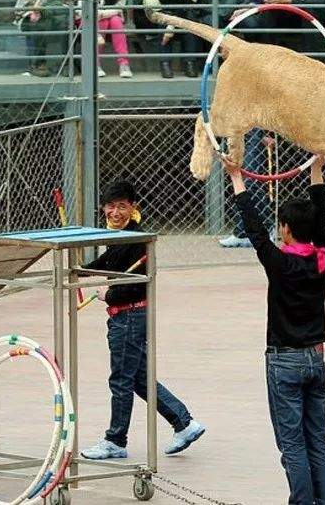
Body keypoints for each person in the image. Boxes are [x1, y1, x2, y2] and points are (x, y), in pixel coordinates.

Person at [222, 154, 325, 505]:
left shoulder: (281, 262)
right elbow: (324, 221)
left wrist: (236, 178)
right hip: (316, 360)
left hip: (284, 361)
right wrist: (316, 170)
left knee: (292, 444)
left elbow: (255, 231)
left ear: (285, 228)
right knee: (317, 439)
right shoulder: (324, 259)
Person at [80, 180, 206, 460]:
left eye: (122, 206)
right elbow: (109, 263)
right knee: (139, 379)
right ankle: (185, 424)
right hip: (127, 317)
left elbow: (138, 283)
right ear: (103, 208)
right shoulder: (121, 235)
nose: (115, 212)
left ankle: (115, 440)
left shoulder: (137, 238)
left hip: (129, 316)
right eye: (110, 207)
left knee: (122, 380)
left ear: (133, 207)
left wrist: (109, 294)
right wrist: (79, 271)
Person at [218, 128, 275, 248]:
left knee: (249, 181)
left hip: (252, 129)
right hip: (241, 132)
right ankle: (243, 233)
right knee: (242, 182)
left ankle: (267, 226)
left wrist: (262, 135)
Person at [150, 0, 205, 78]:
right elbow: (168, 3)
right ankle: (165, 63)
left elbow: (186, 4)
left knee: (190, 16)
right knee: (165, 17)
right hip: (157, 12)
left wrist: (172, 25)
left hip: (182, 14)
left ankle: (190, 62)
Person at [13, 0, 69, 77]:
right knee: (43, 22)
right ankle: (38, 63)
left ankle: (66, 63)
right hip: (30, 14)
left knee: (68, 22)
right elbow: (36, 4)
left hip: (58, 13)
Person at [96, 0, 133, 78]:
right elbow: (87, 9)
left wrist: (103, 13)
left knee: (116, 21)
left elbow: (120, 6)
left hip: (110, 14)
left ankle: (124, 64)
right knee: (103, 21)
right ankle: (95, 63)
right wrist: (102, 14)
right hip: (91, 18)